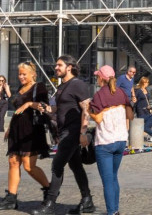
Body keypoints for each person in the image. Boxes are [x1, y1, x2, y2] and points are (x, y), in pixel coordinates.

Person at [32, 55, 94, 215]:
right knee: (75, 166)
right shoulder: (62, 86)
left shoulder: (78, 85)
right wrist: (46, 109)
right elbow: (60, 108)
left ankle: (50, 203)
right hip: (64, 130)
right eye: (56, 65)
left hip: (72, 132)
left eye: (59, 65)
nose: (56, 68)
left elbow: (86, 109)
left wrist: (83, 132)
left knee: (57, 165)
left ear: (70, 67)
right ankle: (87, 200)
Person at [0, 61, 50, 211]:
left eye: (24, 74)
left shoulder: (40, 87)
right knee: (13, 162)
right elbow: (17, 109)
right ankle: (11, 198)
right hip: (16, 130)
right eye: (19, 74)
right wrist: (10, 126)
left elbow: (44, 106)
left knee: (28, 166)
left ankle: (49, 190)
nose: (21, 76)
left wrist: (29, 104)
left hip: (31, 131)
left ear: (33, 74)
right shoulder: (20, 88)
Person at [89, 65, 133, 215]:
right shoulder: (121, 92)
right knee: (114, 177)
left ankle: (112, 212)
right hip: (121, 140)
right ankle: (115, 210)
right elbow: (129, 115)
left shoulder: (100, 95)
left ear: (101, 78)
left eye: (97, 76)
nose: (96, 79)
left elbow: (99, 118)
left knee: (107, 181)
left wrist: (89, 112)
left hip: (105, 141)